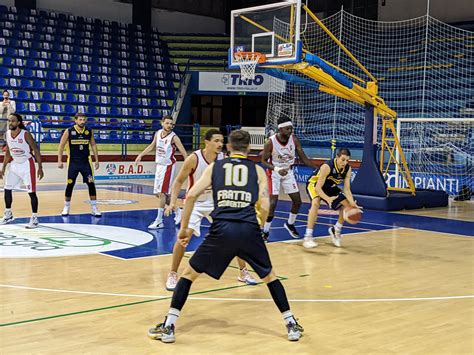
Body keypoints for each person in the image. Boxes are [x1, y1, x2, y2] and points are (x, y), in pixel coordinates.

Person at [148, 129, 304, 343]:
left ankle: (169, 326)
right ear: (249, 149)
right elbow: (266, 205)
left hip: (221, 230)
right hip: (249, 229)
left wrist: (184, 228)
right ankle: (291, 324)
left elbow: (191, 194)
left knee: (189, 275)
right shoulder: (257, 171)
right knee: (270, 277)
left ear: (229, 148)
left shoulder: (215, 168)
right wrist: (258, 226)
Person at [163, 129, 256, 291]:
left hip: (216, 202)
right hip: (195, 203)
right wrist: (172, 202)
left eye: (221, 141)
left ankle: (243, 272)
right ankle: (172, 273)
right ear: (207, 142)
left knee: (235, 235)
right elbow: (178, 181)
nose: (220, 144)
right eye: (216, 141)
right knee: (184, 237)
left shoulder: (223, 159)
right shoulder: (194, 159)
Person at [260, 117, 316, 241]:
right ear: (280, 129)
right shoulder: (270, 142)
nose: (290, 130)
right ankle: (265, 231)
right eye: (287, 128)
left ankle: (290, 224)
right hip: (273, 172)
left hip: (288, 172)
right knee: (273, 203)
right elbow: (263, 161)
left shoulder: (294, 140)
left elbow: (303, 158)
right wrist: (276, 169)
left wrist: (317, 168)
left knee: (297, 201)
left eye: (291, 128)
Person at [135, 115, 188, 229]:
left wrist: (188, 167)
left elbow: (184, 153)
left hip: (168, 166)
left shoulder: (174, 137)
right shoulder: (158, 133)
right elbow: (152, 146)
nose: (169, 126)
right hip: (159, 166)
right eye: (167, 123)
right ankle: (178, 210)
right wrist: (141, 155)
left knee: (163, 193)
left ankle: (159, 220)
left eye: (171, 124)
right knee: (158, 194)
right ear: (162, 123)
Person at [303, 147, 360, 249]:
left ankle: (336, 230)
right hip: (314, 184)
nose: (345, 163)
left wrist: (352, 204)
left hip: (330, 186)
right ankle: (308, 236)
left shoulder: (347, 169)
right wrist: (328, 199)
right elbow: (318, 188)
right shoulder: (327, 166)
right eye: (343, 160)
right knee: (316, 203)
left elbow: (347, 190)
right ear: (337, 157)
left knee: (346, 205)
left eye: (347, 160)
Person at [0, 113, 43, 228]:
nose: (10, 123)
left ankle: (34, 218)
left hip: (27, 164)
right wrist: (3, 167)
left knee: (31, 192)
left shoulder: (25, 134)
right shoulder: (7, 134)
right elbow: (8, 151)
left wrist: (40, 167)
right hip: (14, 164)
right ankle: (8, 214)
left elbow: (36, 149)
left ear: (18, 123)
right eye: (9, 121)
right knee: (7, 189)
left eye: (13, 121)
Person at [57, 112, 101, 217]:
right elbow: (61, 145)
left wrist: (97, 159)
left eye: (84, 119)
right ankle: (66, 207)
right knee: (70, 184)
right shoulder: (69, 131)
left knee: (91, 183)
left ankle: (94, 208)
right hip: (73, 162)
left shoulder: (89, 131)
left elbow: (93, 145)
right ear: (75, 120)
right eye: (80, 119)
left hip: (86, 162)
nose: (82, 121)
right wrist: (59, 160)